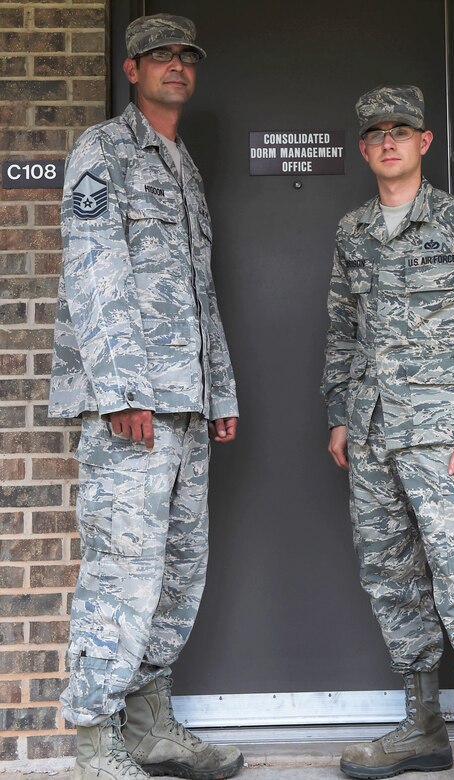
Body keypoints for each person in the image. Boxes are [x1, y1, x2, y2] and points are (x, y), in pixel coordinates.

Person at [322, 85, 454, 780]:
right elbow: (342, 330)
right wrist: (339, 413)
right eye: (375, 132)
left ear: (423, 142)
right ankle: (420, 730)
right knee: (390, 581)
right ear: (363, 148)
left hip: (443, 439)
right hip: (372, 436)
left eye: (400, 130)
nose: (388, 141)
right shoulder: (352, 231)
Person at [49, 14, 243, 780]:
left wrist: (218, 389)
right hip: (131, 407)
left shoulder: (181, 162)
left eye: (184, 56)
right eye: (158, 55)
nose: (174, 65)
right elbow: (94, 275)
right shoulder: (104, 150)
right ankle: (95, 741)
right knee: (121, 571)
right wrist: (122, 389)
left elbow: (197, 291)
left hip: (185, 404)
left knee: (177, 570)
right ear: (131, 69)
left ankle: (150, 723)